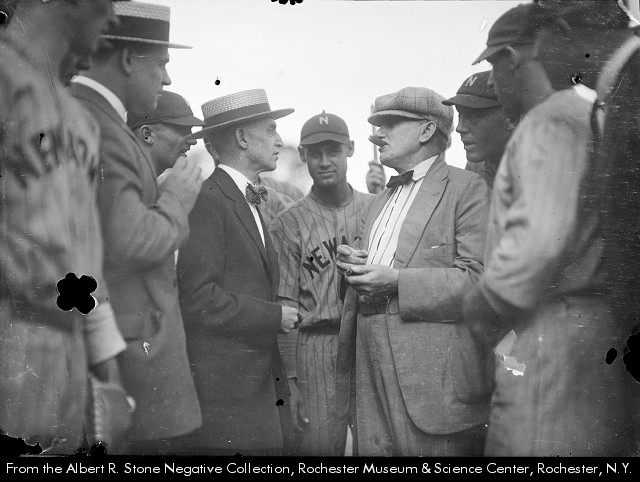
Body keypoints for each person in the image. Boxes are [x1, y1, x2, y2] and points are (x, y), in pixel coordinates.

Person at [463, 2, 637, 456]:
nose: (494, 83)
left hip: (549, 327)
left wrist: (482, 304)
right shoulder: (591, 110)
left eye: (495, 66)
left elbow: (537, 247)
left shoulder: (547, 119)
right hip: (594, 327)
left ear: (512, 58)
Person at [70, 1, 203, 454]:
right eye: (161, 63)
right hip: (129, 359)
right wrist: (177, 200)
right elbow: (131, 241)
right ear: (128, 59)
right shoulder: (100, 126)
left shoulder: (97, 118)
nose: (166, 79)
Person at [335, 86, 491, 456]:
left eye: (389, 124)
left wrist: (397, 282)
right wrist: (354, 267)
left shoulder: (467, 189)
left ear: (426, 130)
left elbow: (478, 281)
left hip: (430, 387)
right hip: (368, 374)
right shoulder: (381, 200)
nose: (377, 134)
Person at [0, 0, 127, 454]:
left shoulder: (80, 119)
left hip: (63, 354)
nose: (111, 15)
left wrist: (108, 373)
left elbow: (85, 259)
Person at [177, 89, 298, 455]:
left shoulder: (243, 197)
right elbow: (198, 299)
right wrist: (274, 316)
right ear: (243, 138)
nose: (279, 140)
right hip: (229, 398)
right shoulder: (209, 200)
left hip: (251, 392)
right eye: (271, 129)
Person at [269, 111, 374, 455]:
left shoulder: (377, 209)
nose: (325, 161)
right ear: (302, 155)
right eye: (315, 153)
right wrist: (291, 380)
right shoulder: (288, 223)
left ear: (351, 149)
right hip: (317, 349)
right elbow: (285, 309)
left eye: (334, 151)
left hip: (368, 343)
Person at [442, 70, 514, 188]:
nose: (460, 128)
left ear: (511, 118)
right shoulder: (477, 164)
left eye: (473, 116)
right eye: (460, 115)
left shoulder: (539, 162)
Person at [128, 90, 204, 180]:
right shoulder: (122, 182)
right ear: (147, 134)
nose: (193, 141)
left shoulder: (132, 181)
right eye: (182, 131)